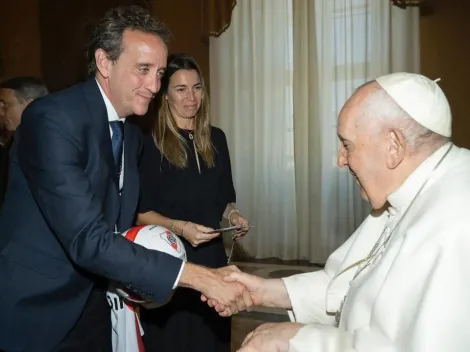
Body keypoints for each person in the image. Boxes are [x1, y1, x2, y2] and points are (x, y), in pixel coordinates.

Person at [0, 6, 251, 352]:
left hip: (98, 304)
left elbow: (120, 223)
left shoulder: (131, 132)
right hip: (41, 309)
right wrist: (197, 276)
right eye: (143, 69)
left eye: (159, 73)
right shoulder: (53, 120)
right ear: (105, 63)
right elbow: (88, 237)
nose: (154, 85)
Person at [207, 72, 470, 352]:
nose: (341, 160)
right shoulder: (404, 195)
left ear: (394, 147)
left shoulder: (457, 220)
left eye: (347, 145)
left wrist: (296, 339)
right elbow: (345, 287)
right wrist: (261, 291)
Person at [137, 53, 250, 352]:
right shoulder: (147, 142)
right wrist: (181, 227)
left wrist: (234, 216)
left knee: (212, 339)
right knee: (174, 341)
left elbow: (224, 198)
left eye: (197, 87)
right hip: (169, 259)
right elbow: (139, 213)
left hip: (212, 258)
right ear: (165, 95)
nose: (192, 97)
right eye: (181, 89)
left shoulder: (216, 138)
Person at [0, 76, 48, 208]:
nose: (1, 112)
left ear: (30, 106)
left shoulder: (47, 147)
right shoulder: (12, 144)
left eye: (5, 104)